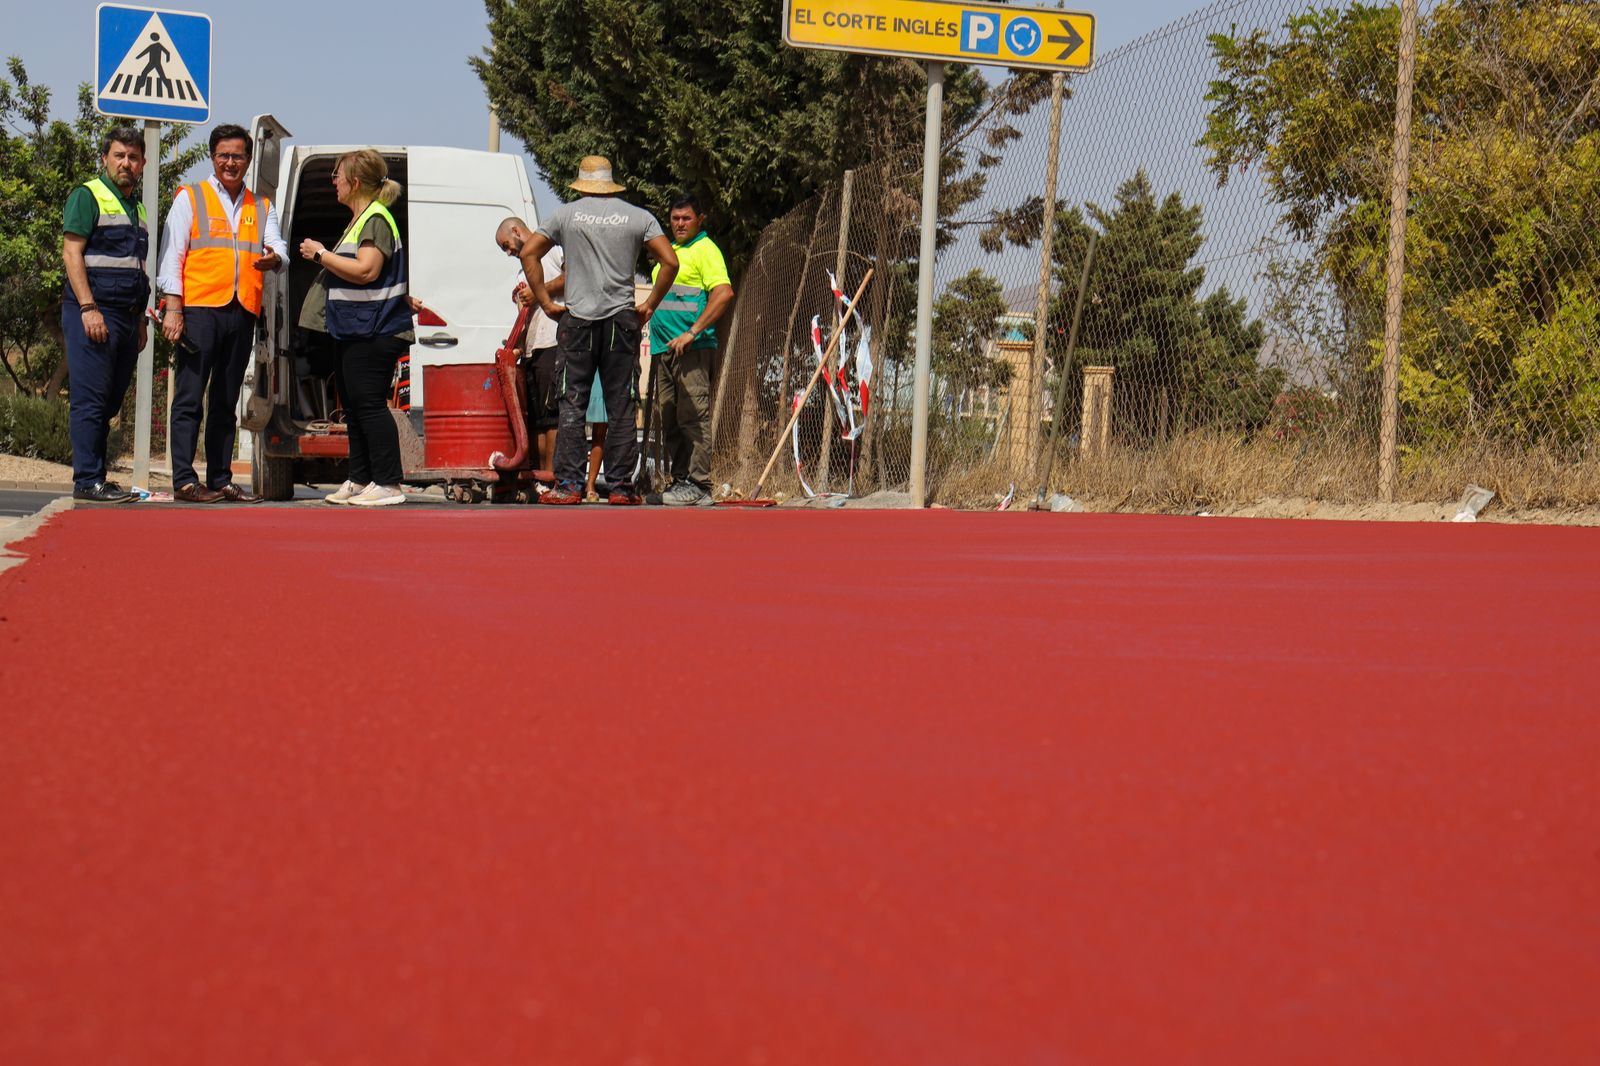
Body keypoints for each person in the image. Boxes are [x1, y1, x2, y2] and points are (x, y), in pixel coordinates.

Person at [499, 156, 678, 505]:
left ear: (581, 184)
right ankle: (621, 489)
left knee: (572, 404)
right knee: (622, 405)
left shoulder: (566, 215)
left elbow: (529, 254)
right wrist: (649, 304)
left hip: (577, 321)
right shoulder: (638, 216)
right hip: (621, 322)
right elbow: (670, 261)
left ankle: (568, 485)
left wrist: (545, 301)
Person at [158, 123, 287, 504]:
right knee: (189, 396)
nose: (230, 162)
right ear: (213, 157)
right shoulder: (190, 197)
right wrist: (173, 309)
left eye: (238, 156)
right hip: (198, 310)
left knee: (226, 400)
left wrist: (275, 258)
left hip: (241, 310)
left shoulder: (261, 205)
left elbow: (279, 248)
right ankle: (184, 479)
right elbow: (172, 256)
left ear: (248, 160)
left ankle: (220, 478)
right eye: (223, 155)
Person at [296, 149, 412, 507]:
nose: (334, 182)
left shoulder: (375, 218)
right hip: (355, 330)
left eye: (337, 175)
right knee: (356, 407)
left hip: (375, 329)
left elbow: (366, 270)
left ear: (355, 182)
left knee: (370, 405)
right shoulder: (361, 219)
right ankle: (361, 478)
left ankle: (389, 483)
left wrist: (319, 254)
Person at [60, 126, 151, 503]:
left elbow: (138, 266)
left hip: (128, 318)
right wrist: (87, 307)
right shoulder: (88, 195)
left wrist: (142, 318)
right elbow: (71, 254)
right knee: (91, 400)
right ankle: (87, 480)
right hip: (95, 312)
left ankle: (97, 476)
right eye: (119, 156)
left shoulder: (138, 207)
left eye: (132, 157)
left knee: (110, 401)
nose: (126, 163)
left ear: (142, 163)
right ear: (105, 159)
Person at [647, 195, 734, 506]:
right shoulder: (671, 252)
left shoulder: (705, 250)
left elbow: (723, 293)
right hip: (664, 350)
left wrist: (692, 333)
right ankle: (681, 482)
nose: (679, 224)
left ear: (700, 219)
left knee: (693, 417)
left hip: (692, 350)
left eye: (686, 218)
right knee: (669, 417)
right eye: (674, 218)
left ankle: (699, 485)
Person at [501, 221, 564, 473]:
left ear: (516, 231)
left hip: (554, 341)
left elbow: (572, 279)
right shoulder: (520, 275)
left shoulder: (554, 251)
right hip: (532, 349)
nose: (508, 252)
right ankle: (538, 477)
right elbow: (523, 317)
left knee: (552, 418)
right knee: (536, 420)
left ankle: (551, 476)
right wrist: (515, 345)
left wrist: (539, 293)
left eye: (506, 245)